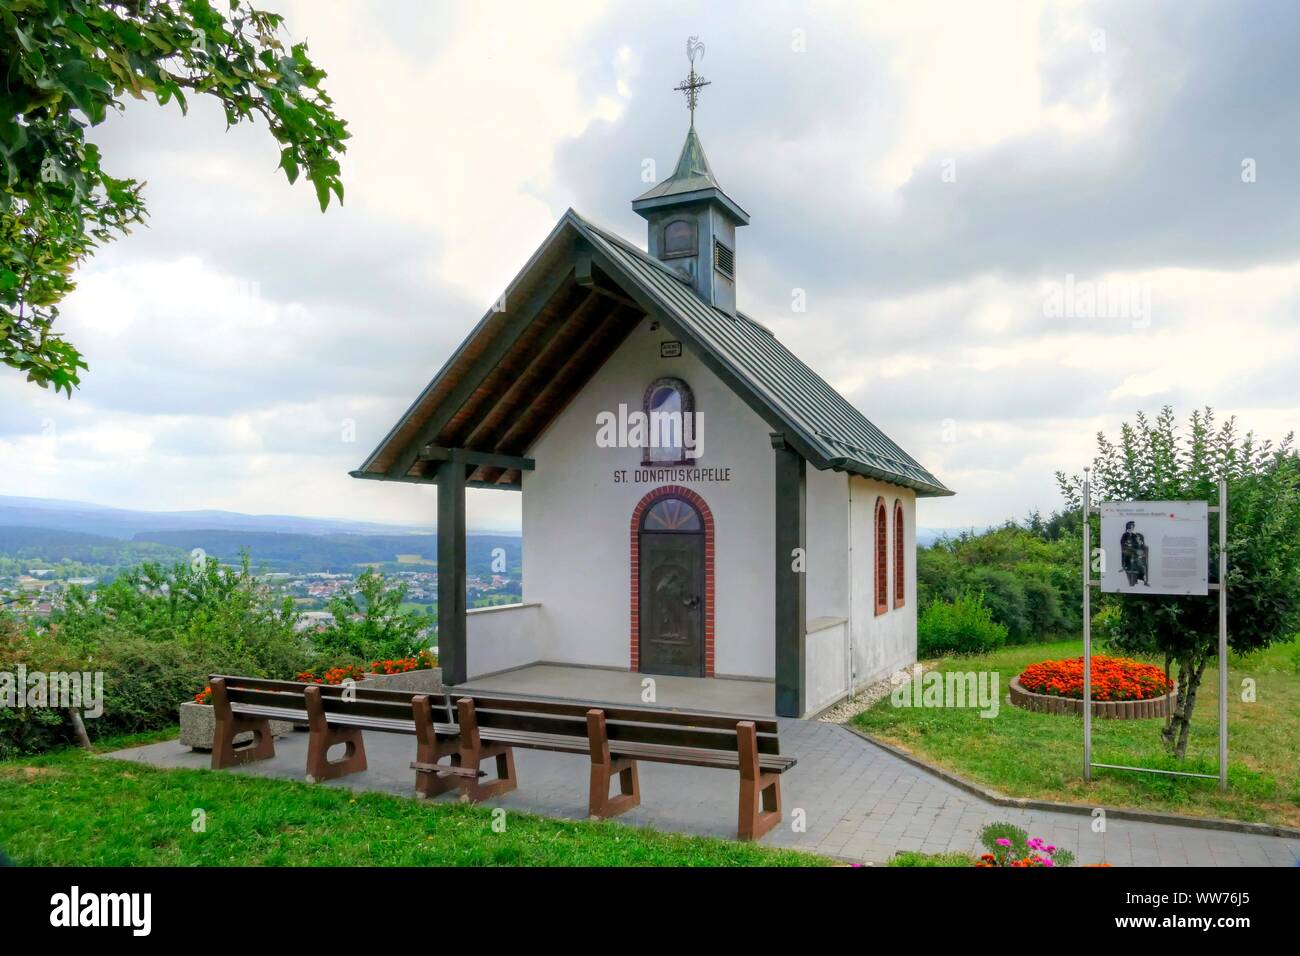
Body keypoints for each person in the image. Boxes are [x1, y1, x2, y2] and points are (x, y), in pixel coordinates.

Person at [1120, 520, 1150, 587]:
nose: (1133, 527)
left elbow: (1137, 544)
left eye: (1133, 526)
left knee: (1139, 564)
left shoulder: (1134, 535)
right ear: (1129, 526)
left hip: (1134, 553)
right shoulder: (1124, 535)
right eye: (1132, 526)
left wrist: (1137, 544)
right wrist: (1129, 545)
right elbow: (1123, 544)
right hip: (1127, 552)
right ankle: (1125, 566)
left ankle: (1143, 580)